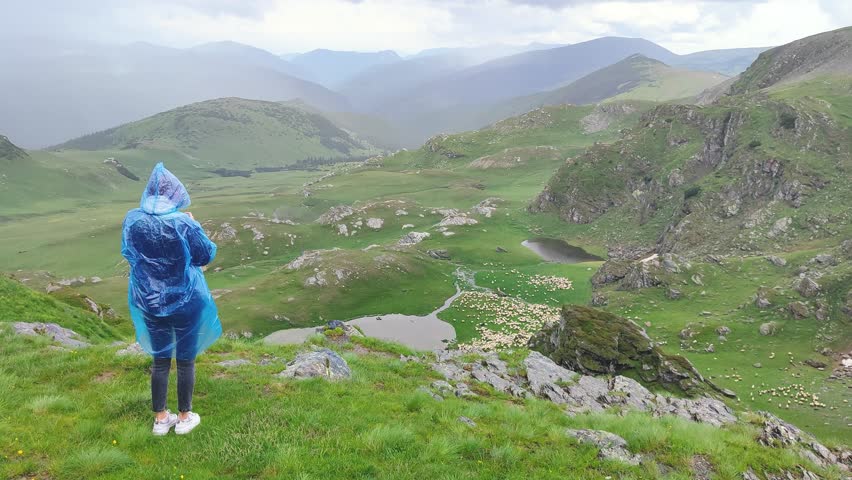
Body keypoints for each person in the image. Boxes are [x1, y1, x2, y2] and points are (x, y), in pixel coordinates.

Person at [121, 163, 222, 436]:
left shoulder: (133, 219)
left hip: (150, 300)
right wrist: (193, 224)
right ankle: (185, 417)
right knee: (186, 360)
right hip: (187, 299)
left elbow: (130, 254)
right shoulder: (183, 222)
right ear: (174, 194)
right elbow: (205, 255)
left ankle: (160, 419)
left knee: (160, 360)